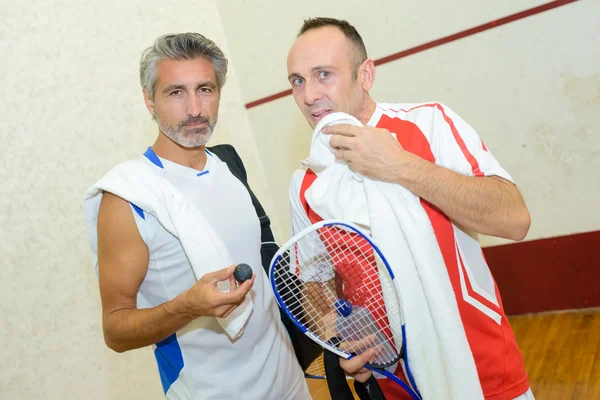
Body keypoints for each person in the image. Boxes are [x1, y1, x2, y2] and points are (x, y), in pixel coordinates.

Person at [286, 17, 534, 400]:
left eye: (324, 74)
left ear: (365, 74)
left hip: (487, 371)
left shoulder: (430, 123)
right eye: (298, 81)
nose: (309, 95)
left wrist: (399, 165)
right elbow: (315, 280)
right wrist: (334, 330)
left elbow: (514, 220)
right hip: (394, 385)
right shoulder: (304, 184)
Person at [85, 33, 309, 399]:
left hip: (288, 382)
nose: (194, 109)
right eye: (176, 92)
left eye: (205, 89)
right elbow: (116, 331)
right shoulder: (128, 197)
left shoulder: (228, 167)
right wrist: (186, 307)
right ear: (149, 100)